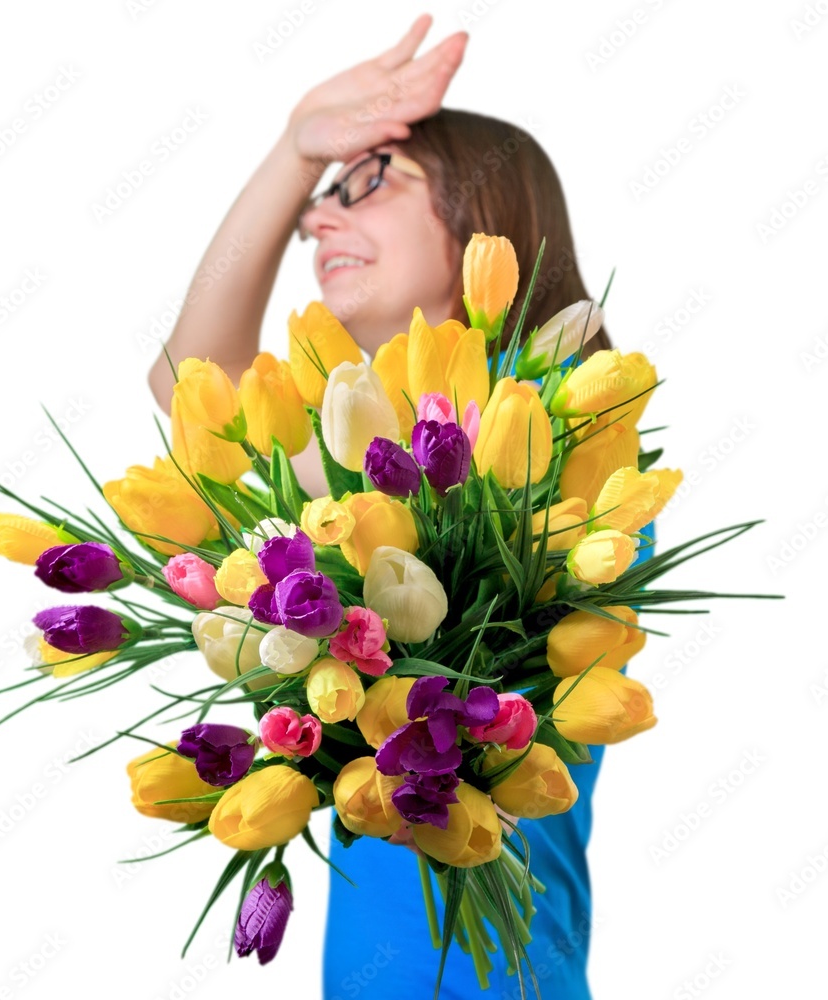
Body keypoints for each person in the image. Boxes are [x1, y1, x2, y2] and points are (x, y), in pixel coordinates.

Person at [149, 14, 632, 998]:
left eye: (369, 182)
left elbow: (186, 384)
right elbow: (187, 384)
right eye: (319, 199)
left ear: (487, 216)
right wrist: (294, 151)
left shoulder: (565, 434)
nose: (320, 218)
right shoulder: (362, 453)